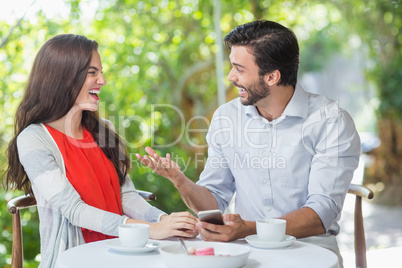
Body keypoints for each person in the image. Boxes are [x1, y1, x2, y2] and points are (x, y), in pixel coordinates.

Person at [136, 20, 360, 266]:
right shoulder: (226, 117)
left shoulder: (330, 121)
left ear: (272, 77)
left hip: (310, 253)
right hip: (245, 254)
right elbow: (214, 199)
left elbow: (320, 213)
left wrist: (248, 229)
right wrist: (181, 181)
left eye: (239, 69)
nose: (231, 77)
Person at [5, 34, 198, 268]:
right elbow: (74, 210)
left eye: (101, 72)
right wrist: (153, 230)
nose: (103, 80)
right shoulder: (33, 140)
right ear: (64, 76)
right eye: (92, 72)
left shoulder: (103, 131)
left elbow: (125, 196)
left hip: (125, 253)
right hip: (77, 260)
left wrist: (164, 220)